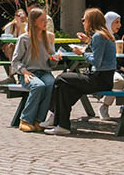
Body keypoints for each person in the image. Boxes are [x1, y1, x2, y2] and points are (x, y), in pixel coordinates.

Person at [44, 8, 116, 136]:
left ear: (91, 21)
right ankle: (62, 125)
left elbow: (96, 61)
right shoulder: (103, 35)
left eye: (84, 19)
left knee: (61, 78)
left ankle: (55, 117)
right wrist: (88, 41)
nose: (82, 22)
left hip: (99, 79)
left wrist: (82, 53)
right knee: (65, 87)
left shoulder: (99, 36)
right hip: (103, 78)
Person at [10, 7, 60, 131]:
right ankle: (25, 120)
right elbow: (15, 61)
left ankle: (39, 120)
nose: (45, 23)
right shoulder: (24, 39)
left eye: (46, 20)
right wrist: (24, 72)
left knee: (51, 84)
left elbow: (51, 64)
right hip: (28, 72)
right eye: (42, 20)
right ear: (34, 22)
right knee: (38, 86)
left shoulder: (49, 38)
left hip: (45, 72)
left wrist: (54, 59)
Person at [97, 11, 124, 119]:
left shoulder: (116, 37)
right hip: (106, 69)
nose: (119, 25)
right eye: (116, 22)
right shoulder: (101, 37)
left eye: (119, 22)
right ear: (108, 22)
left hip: (117, 68)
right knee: (118, 81)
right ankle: (104, 106)